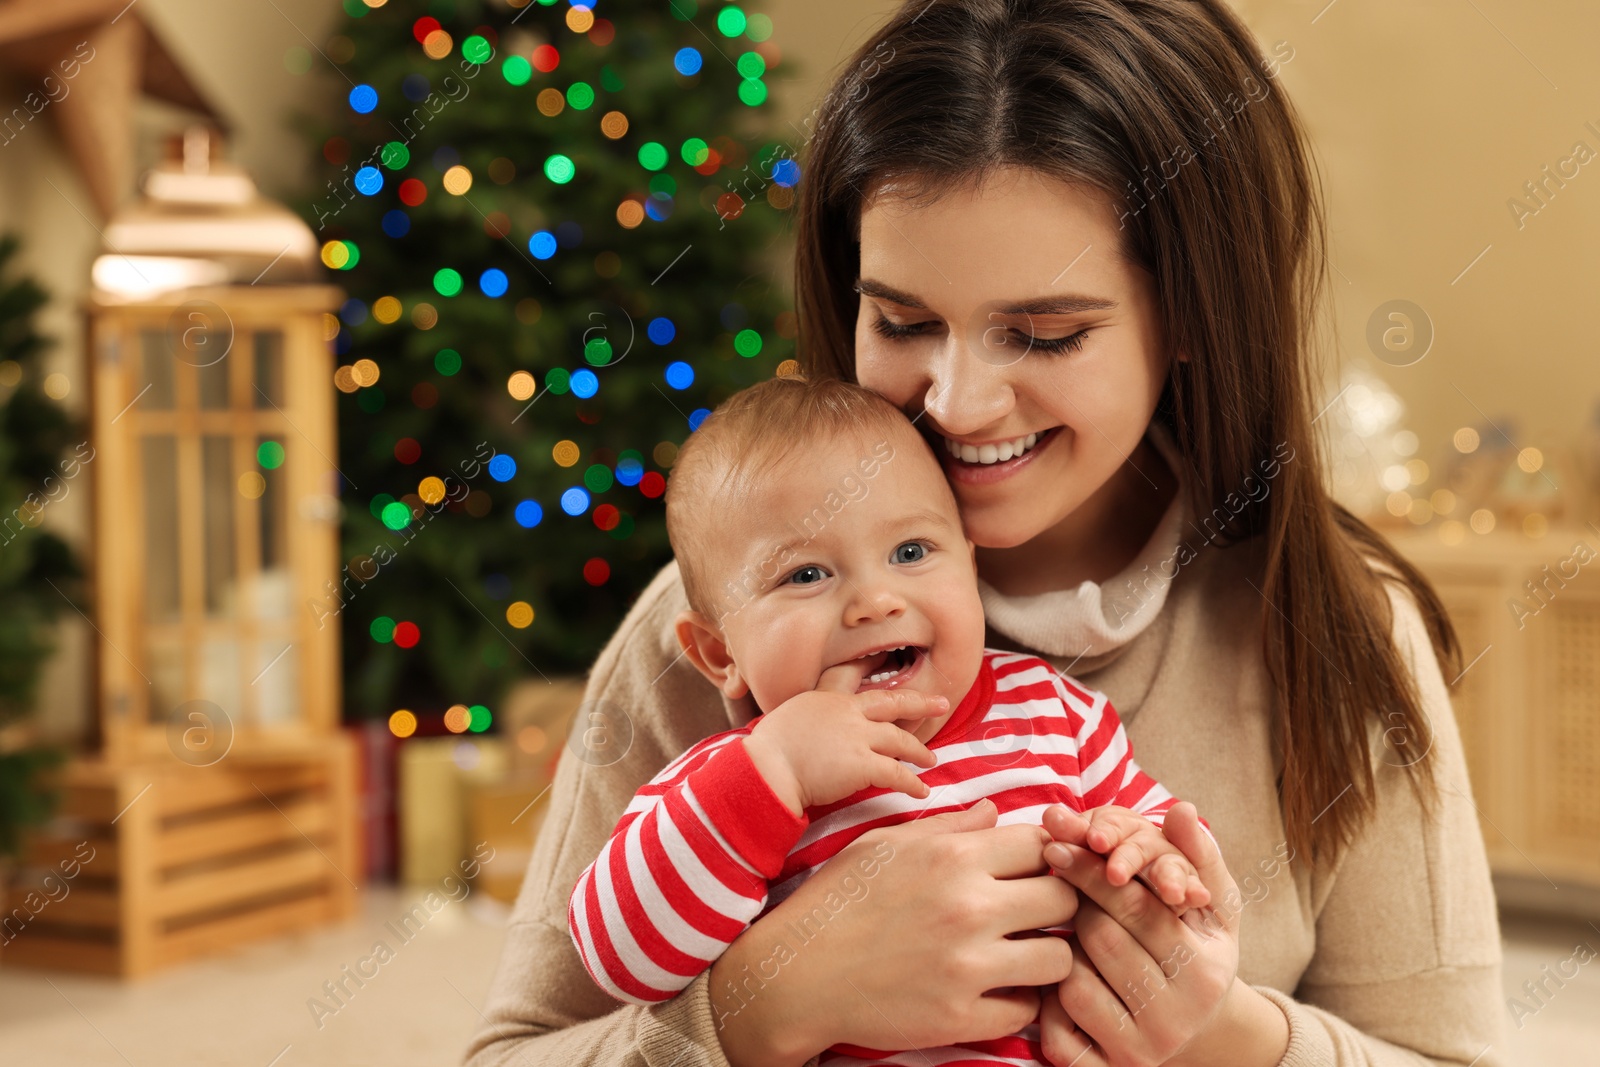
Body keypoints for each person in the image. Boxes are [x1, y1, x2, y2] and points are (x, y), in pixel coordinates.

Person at [463, 1, 1504, 1064]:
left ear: (1192, 314)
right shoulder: (731, 623)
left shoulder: (1331, 624)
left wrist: (1219, 1030)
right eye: (902, 322)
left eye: (1044, 332)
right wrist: (770, 1000)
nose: (956, 402)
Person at [565, 376, 1212, 1065]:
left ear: (969, 567)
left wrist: (1145, 854)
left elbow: (1168, 851)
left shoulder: (1054, 710)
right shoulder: (730, 779)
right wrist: (773, 771)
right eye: (805, 575)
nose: (874, 600)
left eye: (910, 552)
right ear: (721, 651)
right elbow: (621, 955)